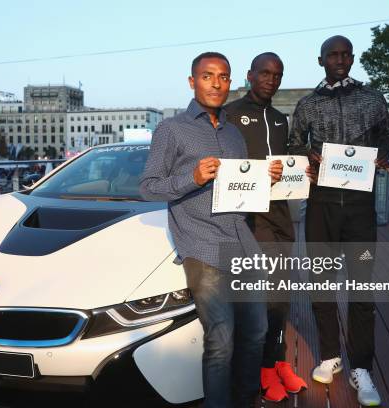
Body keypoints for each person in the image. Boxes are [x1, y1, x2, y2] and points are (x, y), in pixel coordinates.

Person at [140, 51, 283, 408]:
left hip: (242, 244)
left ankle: (247, 399)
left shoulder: (234, 134)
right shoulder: (171, 130)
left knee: (257, 333)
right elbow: (148, 187)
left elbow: (241, 191)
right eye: (207, 76)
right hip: (202, 246)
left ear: (230, 82)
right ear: (192, 82)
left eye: (223, 77)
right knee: (221, 340)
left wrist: (267, 181)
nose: (216, 83)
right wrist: (192, 177)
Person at [289, 35, 389, 406]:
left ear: (352, 58)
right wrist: (310, 160)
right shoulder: (307, 104)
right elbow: (293, 143)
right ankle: (330, 356)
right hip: (320, 207)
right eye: (332, 55)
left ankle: (361, 368)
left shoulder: (372, 98)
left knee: (361, 289)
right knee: (321, 284)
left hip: (360, 208)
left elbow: (387, 135)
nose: (339, 59)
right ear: (321, 61)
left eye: (344, 54)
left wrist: (382, 154)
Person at [225, 52, 308, 403]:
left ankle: (275, 363)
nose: (271, 80)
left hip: (280, 216)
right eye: (265, 73)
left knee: (281, 293)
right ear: (250, 75)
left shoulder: (279, 118)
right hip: (249, 217)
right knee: (263, 297)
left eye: (277, 74)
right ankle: (261, 368)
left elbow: (286, 165)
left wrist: (302, 169)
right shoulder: (229, 114)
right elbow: (227, 168)